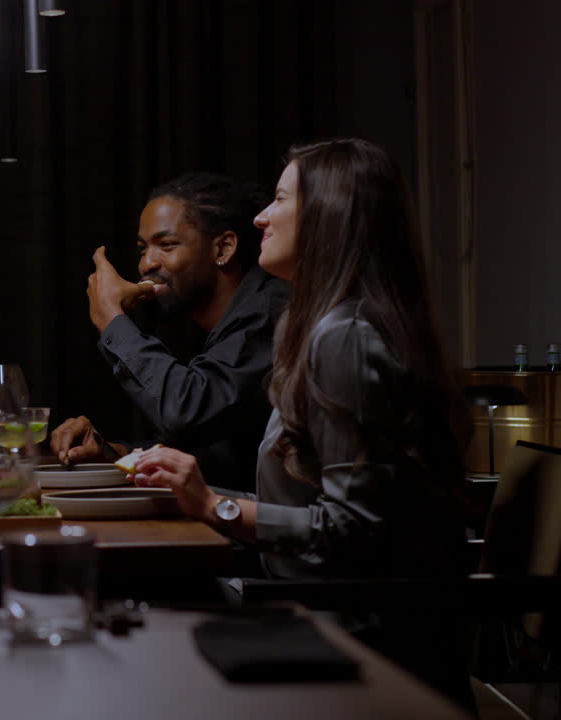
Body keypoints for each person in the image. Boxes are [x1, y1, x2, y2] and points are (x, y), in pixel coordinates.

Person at [132, 138, 471, 707]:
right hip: (314, 607)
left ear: (330, 216)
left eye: (281, 199)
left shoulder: (345, 337)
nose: (261, 214)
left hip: (354, 639)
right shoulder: (324, 326)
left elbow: (353, 533)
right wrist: (196, 491)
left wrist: (217, 507)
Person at [52, 173, 287, 490]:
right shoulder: (208, 328)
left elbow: (186, 411)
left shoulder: (269, 312)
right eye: (142, 249)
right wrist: (110, 454)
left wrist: (111, 319)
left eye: (166, 245)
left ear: (223, 248)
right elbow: (212, 448)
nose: (146, 263)